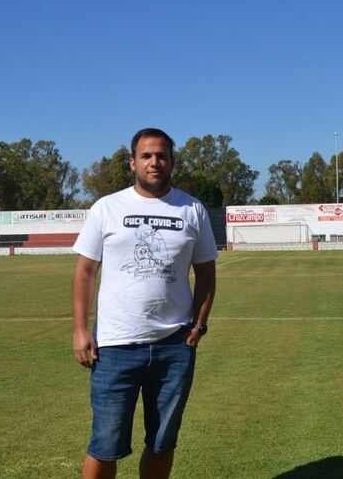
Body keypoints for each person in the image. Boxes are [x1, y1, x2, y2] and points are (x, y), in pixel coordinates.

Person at [72, 128, 218, 479]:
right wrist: (80, 329)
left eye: (161, 156)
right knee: (104, 446)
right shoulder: (107, 207)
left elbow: (206, 273)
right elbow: (85, 272)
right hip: (115, 347)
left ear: (172, 162)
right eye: (147, 156)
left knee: (162, 444)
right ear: (132, 163)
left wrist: (198, 325)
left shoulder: (192, 209)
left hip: (174, 347)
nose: (155, 162)